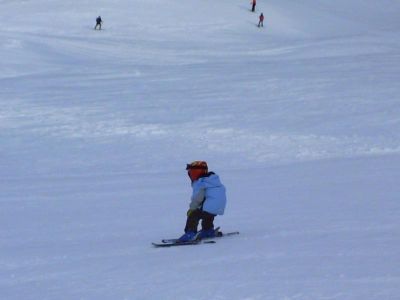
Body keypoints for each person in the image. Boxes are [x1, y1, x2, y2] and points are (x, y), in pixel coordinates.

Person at [178, 161, 227, 242]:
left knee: (193, 215)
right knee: (208, 215)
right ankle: (208, 230)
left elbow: (197, 198)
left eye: (195, 172)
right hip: (220, 206)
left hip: (210, 206)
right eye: (192, 172)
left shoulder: (201, 182)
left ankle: (190, 233)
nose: (193, 174)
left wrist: (192, 209)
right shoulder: (213, 180)